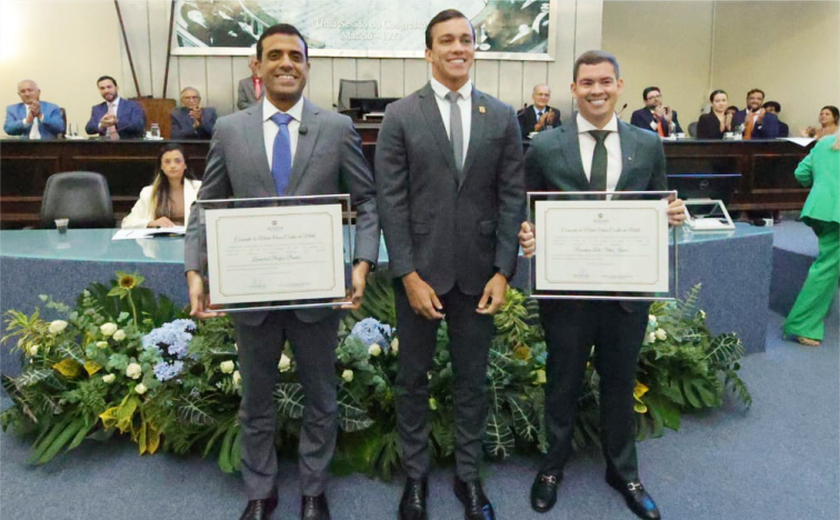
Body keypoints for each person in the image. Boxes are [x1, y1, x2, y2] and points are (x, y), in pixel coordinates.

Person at [184, 23, 379, 520]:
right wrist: (195, 270)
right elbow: (205, 206)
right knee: (256, 402)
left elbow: (368, 200)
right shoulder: (229, 129)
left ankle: (313, 490)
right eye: (275, 55)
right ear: (258, 67)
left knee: (322, 397)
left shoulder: (336, 128)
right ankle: (261, 492)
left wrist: (362, 262)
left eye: (295, 55)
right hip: (251, 296)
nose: (286, 63)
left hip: (318, 293)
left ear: (308, 66)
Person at [518, 50, 685, 520]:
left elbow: (659, 202)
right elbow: (525, 206)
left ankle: (623, 471)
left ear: (620, 85)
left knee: (619, 379)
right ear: (573, 89)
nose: (596, 90)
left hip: (626, 291)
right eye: (586, 82)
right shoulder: (546, 146)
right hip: (566, 290)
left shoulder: (647, 145)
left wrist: (672, 213)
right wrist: (526, 229)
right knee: (563, 379)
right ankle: (553, 466)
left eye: (605, 82)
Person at [375, 9, 525, 520]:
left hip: (480, 277)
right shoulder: (400, 115)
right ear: (428, 51)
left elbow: (512, 197)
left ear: (474, 48)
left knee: (472, 381)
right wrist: (408, 274)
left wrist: (504, 271)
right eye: (446, 40)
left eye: (466, 39)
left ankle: (468, 478)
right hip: (419, 276)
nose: (457, 47)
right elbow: (390, 202)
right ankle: (415, 479)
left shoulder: (501, 116)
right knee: (412, 380)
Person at [783, 131, 840, 347]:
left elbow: (802, 174)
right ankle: (802, 325)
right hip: (837, 216)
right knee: (827, 267)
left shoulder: (825, 142)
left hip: (820, 210)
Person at [121, 143, 201, 229]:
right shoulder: (149, 192)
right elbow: (127, 223)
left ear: (185, 165)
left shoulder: (199, 188)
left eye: (178, 161)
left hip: (190, 239)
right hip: (159, 239)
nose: (172, 166)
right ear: (161, 166)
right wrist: (151, 223)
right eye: (167, 162)